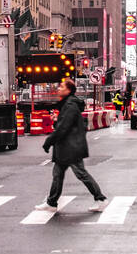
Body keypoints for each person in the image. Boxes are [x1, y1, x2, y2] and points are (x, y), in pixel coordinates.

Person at [37, 79, 108, 213]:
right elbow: (65, 124)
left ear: (68, 90)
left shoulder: (70, 105)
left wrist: (49, 141)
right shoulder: (68, 104)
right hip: (66, 147)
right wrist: (57, 121)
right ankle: (51, 203)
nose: (59, 88)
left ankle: (101, 199)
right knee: (57, 174)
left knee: (81, 174)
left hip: (71, 147)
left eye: (62, 86)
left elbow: (64, 128)